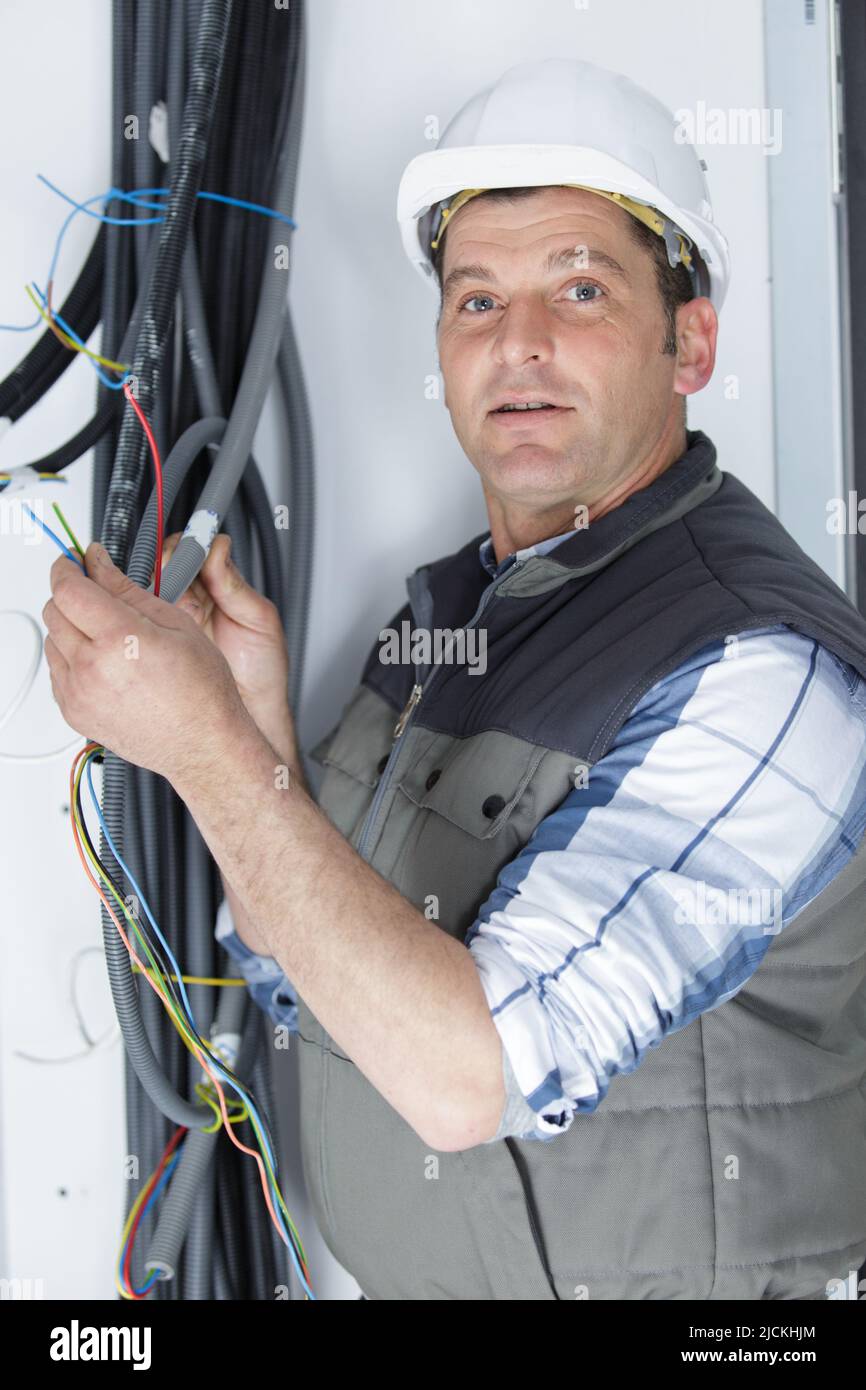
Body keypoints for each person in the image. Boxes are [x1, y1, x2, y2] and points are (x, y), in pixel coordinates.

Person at [45, 59, 866, 1301]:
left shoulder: (759, 668)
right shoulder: (444, 621)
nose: (517, 341)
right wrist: (253, 735)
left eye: (579, 289)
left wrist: (208, 750)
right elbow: (313, 973)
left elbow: (470, 1076)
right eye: (476, 298)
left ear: (688, 341)